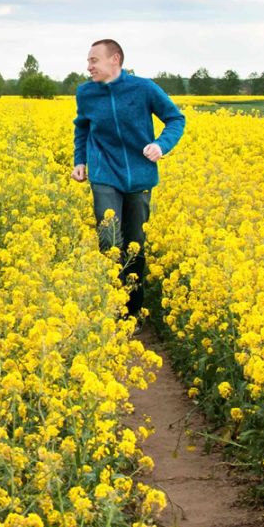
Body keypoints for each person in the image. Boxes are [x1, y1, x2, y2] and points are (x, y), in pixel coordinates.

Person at [71, 39, 185, 324]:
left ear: (115, 59)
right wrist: (80, 160)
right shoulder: (85, 93)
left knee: (135, 243)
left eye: (94, 60)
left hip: (139, 174)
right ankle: (110, 307)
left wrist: (161, 145)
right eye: (88, 61)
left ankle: (133, 311)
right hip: (104, 172)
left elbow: (175, 119)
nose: (88, 67)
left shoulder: (143, 88)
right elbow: (82, 128)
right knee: (110, 241)